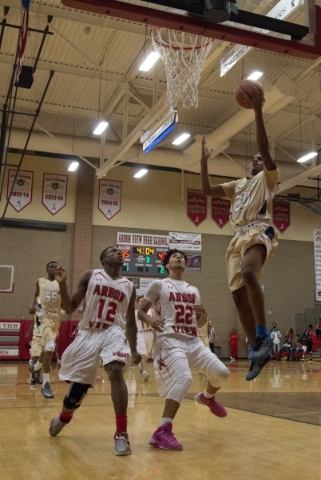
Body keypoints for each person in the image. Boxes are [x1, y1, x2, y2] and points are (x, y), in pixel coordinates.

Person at [200, 87, 279, 381]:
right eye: (255, 159)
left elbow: (265, 148)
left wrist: (257, 110)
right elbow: (207, 190)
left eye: (261, 158)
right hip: (236, 238)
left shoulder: (268, 178)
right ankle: (257, 347)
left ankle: (263, 336)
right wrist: (205, 161)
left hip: (260, 229)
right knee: (236, 296)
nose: (257, 159)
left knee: (248, 274)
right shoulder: (238, 185)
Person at [48, 246, 141, 456]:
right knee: (75, 396)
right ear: (104, 259)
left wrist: (134, 349)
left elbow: (131, 321)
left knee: (116, 370)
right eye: (114, 251)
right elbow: (70, 307)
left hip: (114, 332)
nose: (119, 253)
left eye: (120, 252)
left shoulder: (129, 286)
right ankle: (64, 416)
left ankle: (121, 433)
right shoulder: (92, 275)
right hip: (89, 332)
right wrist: (62, 285)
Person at [137, 249, 230, 451]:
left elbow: (199, 322)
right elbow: (140, 311)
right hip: (169, 340)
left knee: (223, 373)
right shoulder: (158, 285)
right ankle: (162, 430)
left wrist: (205, 314)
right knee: (185, 378)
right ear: (167, 265)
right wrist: (151, 319)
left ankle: (207, 397)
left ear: (185, 265)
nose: (179, 258)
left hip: (193, 341)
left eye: (182, 257)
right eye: (174, 257)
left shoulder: (193, 290)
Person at [28, 261, 64, 398]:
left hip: (56, 318)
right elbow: (35, 294)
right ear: (46, 269)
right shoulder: (40, 281)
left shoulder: (61, 282)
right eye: (51, 266)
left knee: (48, 348)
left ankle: (35, 368)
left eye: (56, 267)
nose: (54, 268)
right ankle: (46, 385)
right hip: (44, 316)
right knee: (49, 346)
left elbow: (65, 299)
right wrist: (31, 306)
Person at [135, 295, 155, 381]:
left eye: (143, 301)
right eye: (140, 301)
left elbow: (154, 321)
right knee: (142, 354)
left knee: (146, 355)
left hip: (149, 333)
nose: (142, 302)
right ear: (137, 303)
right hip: (140, 334)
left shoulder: (151, 311)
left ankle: (141, 367)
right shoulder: (135, 312)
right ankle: (144, 371)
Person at [25, 312, 44, 388]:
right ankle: (33, 379)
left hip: (46, 337)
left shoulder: (51, 310)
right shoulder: (36, 312)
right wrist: (28, 332)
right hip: (37, 337)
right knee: (36, 357)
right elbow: (33, 323)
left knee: (41, 360)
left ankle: (37, 375)